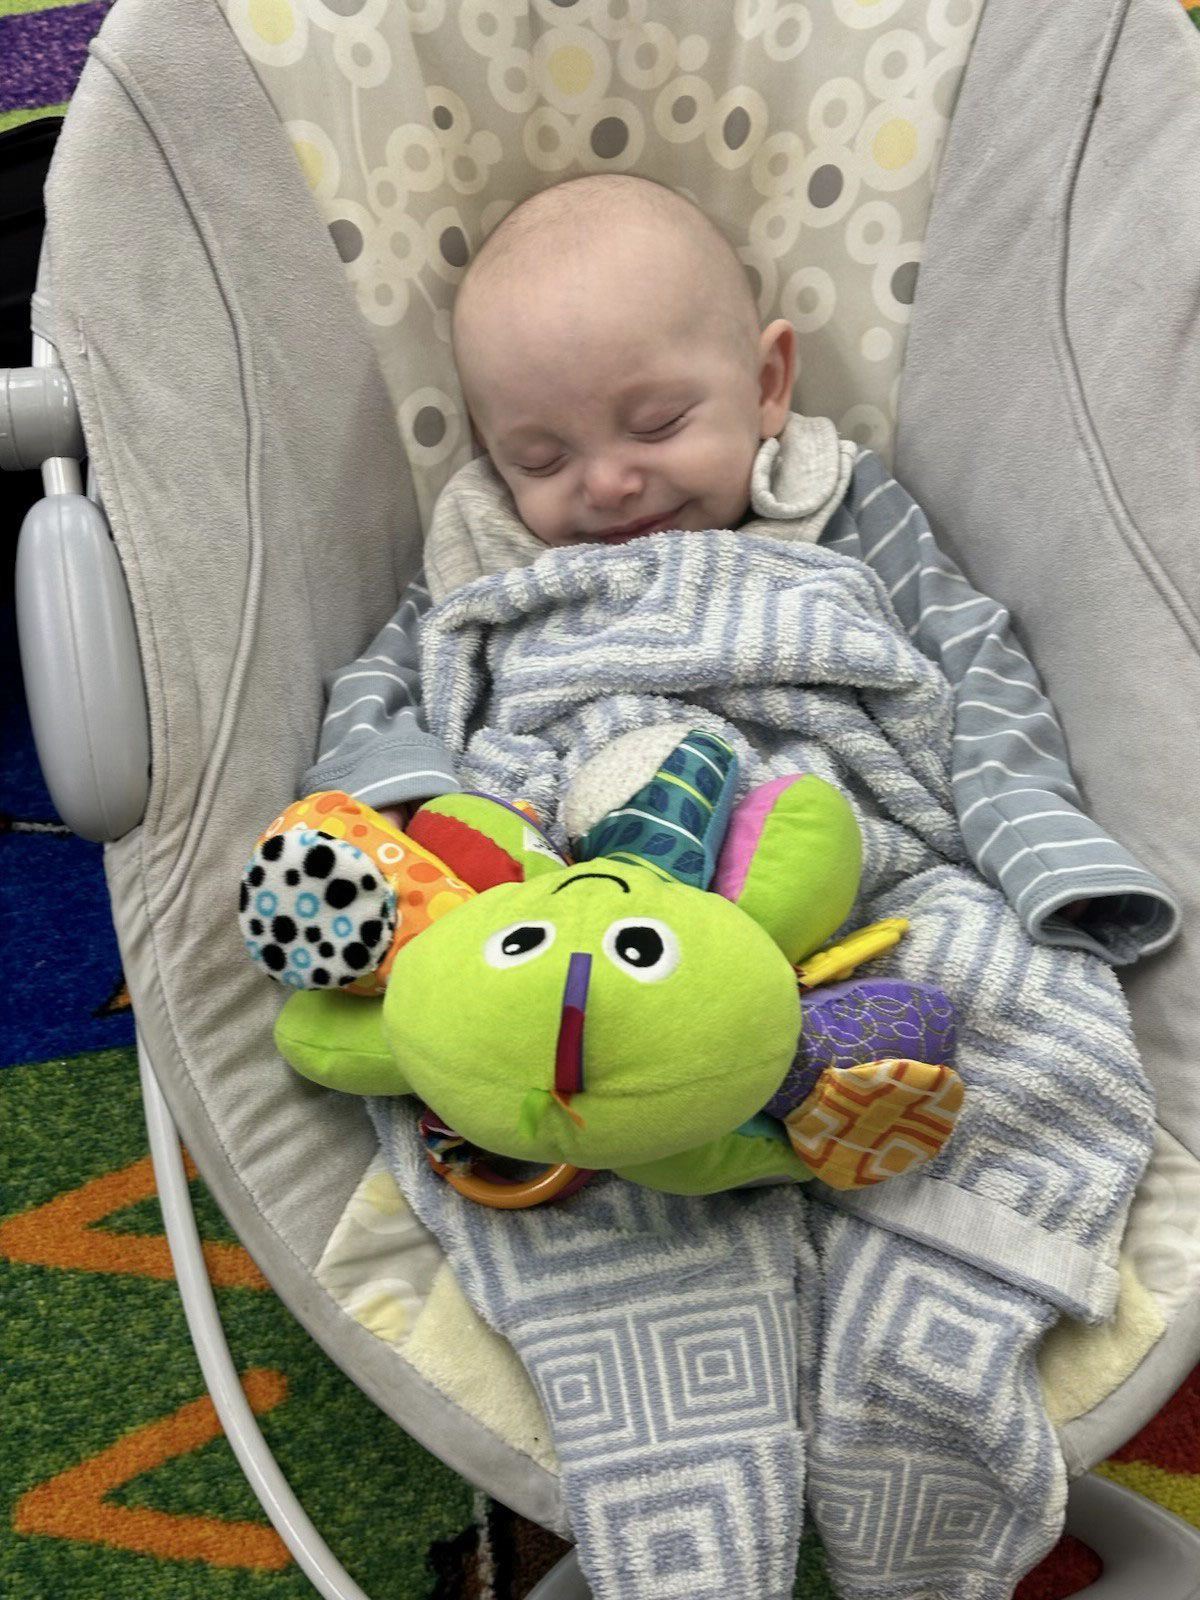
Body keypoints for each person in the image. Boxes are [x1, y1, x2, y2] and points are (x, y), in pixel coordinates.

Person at [301, 174, 1177, 966]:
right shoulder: (485, 541)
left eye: (657, 423)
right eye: (539, 458)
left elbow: (973, 653)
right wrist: (399, 816)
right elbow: (385, 684)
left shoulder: (835, 499)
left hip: (833, 861)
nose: (608, 482)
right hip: (571, 894)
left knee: (967, 963)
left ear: (767, 382)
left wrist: (1032, 833)